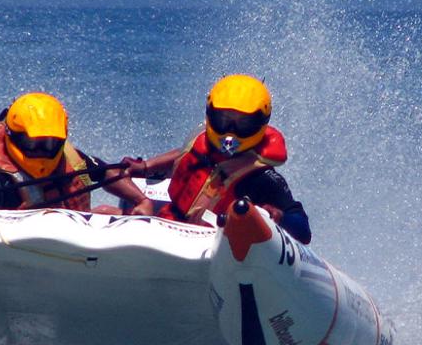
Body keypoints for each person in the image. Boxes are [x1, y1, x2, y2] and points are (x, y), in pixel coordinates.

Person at [123, 74, 311, 243]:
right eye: (224, 120)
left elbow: (303, 230)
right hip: (170, 224)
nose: (231, 132)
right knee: (105, 211)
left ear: (261, 122)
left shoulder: (262, 176)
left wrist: (277, 216)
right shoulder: (200, 140)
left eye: (243, 123)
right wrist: (146, 166)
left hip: (216, 245)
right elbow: (182, 154)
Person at [0, 92, 153, 214]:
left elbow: (106, 172)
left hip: (74, 249)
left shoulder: (70, 159)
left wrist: (141, 200)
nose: (42, 152)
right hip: (22, 254)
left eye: (50, 144)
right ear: (14, 137)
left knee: (109, 212)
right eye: (33, 144)